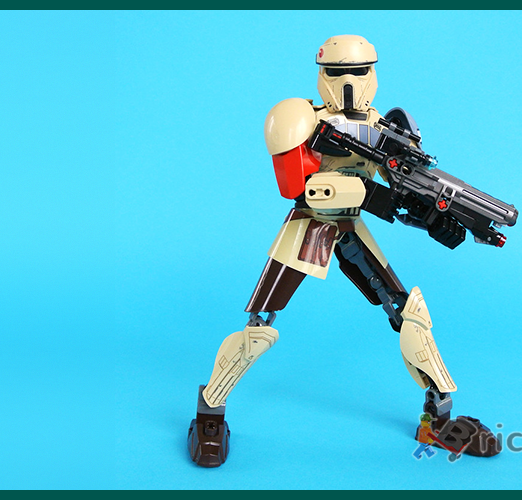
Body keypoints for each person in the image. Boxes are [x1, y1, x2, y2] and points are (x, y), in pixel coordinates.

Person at [188, 35, 500, 467]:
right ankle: (210, 412)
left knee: (409, 315)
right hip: (310, 226)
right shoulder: (301, 118)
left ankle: (438, 419)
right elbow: (297, 188)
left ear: (373, 73)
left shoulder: (388, 129)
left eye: (359, 71)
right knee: (259, 327)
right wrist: (363, 190)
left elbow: (404, 190)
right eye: (337, 72)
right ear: (322, 74)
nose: (349, 82)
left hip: (352, 225)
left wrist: (431, 218)